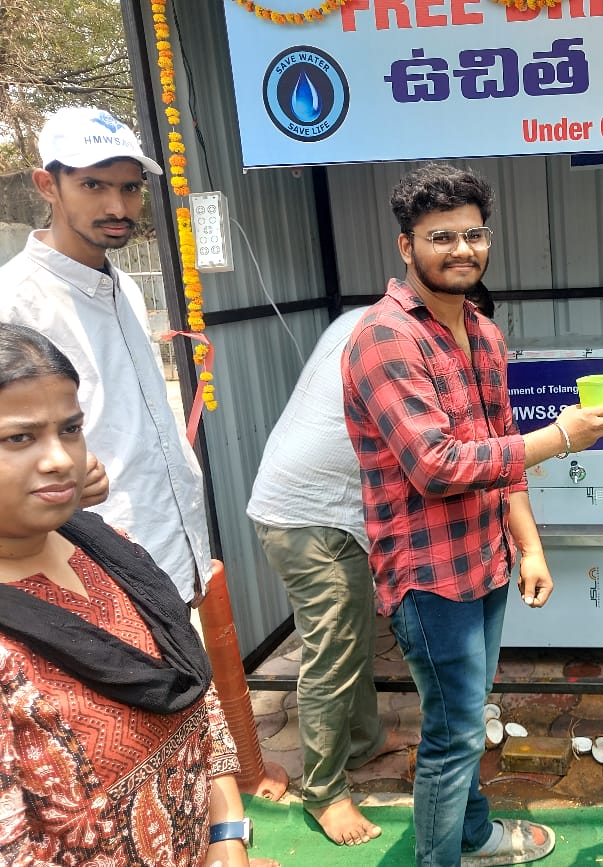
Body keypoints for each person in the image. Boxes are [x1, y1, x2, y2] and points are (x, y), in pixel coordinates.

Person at [342, 163, 603, 866]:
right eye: (441, 237)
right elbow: (435, 465)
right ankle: (442, 856)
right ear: (406, 247)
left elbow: (502, 454)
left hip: (485, 561)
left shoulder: (484, 335)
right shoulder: (383, 338)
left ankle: (472, 832)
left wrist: (529, 547)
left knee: (462, 721)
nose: (462, 249)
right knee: (453, 732)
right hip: (429, 574)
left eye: (474, 233)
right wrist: (561, 436)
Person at [0, 322, 273, 867]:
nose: (59, 459)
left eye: (70, 430)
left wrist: (228, 835)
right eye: (19, 437)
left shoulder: (113, 550)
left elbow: (197, 699)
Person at [0, 106, 211, 604]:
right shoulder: (14, 301)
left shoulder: (127, 289)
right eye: (93, 186)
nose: (118, 206)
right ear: (47, 186)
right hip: (87, 560)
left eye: (130, 188)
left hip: (167, 548)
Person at [247, 307, 417, 846]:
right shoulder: (400, 347)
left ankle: (365, 740)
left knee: (352, 637)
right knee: (332, 655)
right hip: (310, 518)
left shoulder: (361, 317)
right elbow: (427, 456)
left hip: (307, 507)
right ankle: (324, 793)